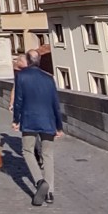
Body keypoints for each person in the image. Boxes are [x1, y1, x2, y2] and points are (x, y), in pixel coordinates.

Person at [12, 49, 63, 205]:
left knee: (27, 150)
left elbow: (18, 100)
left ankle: (40, 181)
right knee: (48, 154)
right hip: (48, 120)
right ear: (39, 61)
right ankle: (50, 193)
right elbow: (56, 104)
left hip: (29, 120)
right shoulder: (49, 78)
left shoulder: (21, 76)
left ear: (28, 61)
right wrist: (59, 126)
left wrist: (16, 119)